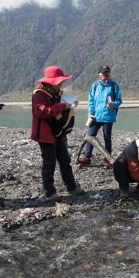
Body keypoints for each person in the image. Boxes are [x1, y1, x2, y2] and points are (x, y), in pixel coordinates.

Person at [31, 66, 84, 200]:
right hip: (45, 134)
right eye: (58, 82)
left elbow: (60, 108)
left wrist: (71, 104)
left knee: (65, 160)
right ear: (50, 82)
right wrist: (63, 106)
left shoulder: (57, 93)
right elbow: (42, 112)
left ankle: (71, 187)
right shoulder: (39, 94)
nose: (60, 84)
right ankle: (49, 192)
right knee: (49, 162)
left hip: (58, 132)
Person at [78, 65, 122, 168]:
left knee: (107, 138)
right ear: (99, 75)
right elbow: (91, 100)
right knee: (89, 136)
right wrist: (91, 112)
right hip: (95, 116)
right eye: (103, 74)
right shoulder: (95, 85)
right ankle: (87, 157)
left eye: (107, 73)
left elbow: (119, 100)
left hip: (108, 116)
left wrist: (113, 104)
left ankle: (107, 159)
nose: (105, 75)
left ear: (109, 74)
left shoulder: (114, 86)